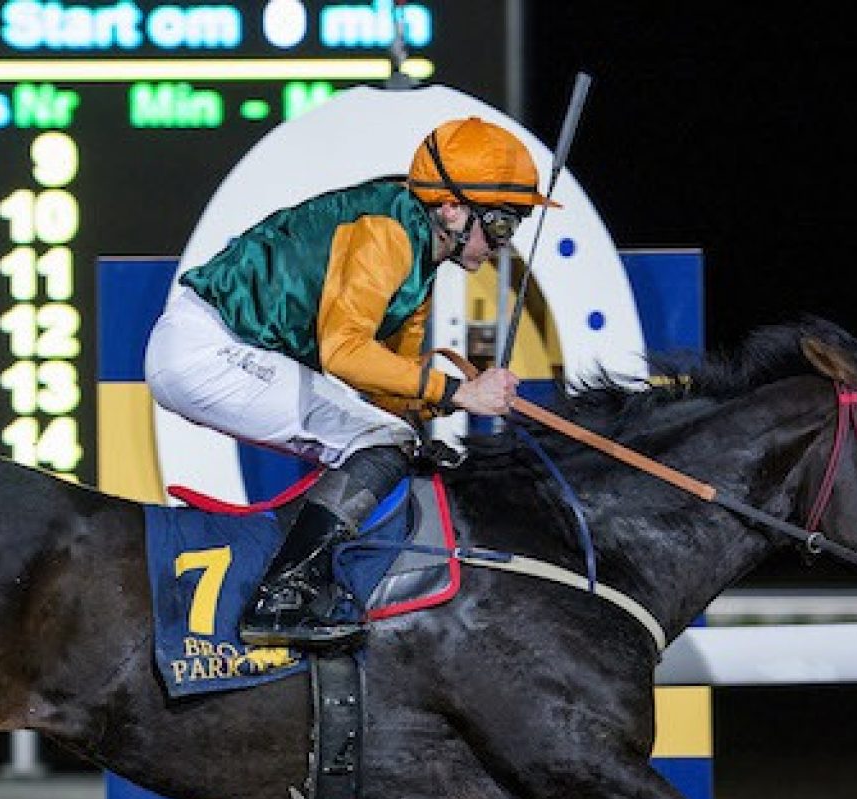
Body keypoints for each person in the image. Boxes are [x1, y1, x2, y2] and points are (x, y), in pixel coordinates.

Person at [145, 115, 554, 648]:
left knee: (395, 438)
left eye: (514, 226)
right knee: (380, 444)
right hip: (210, 349)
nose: (504, 243)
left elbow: (389, 391)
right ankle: (280, 597)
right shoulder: (385, 234)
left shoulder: (422, 260)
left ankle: (305, 580)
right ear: (452, 208)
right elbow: (344, 353)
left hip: (229, 348)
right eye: (500, 224)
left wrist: (442, 406)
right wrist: (457, 393)